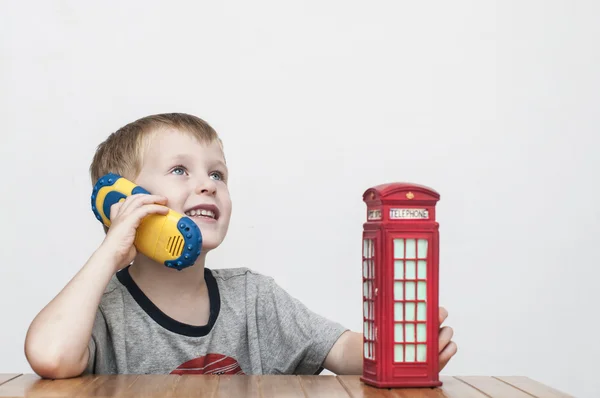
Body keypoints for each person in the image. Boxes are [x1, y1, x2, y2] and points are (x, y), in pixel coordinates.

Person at [24, 113, 457, 378]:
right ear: (121, 199)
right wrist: (110, 249)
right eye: (180, 170)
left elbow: (338, 349)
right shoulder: (100, 310)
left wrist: (399, 353)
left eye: (218, 175)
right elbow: (50, 356)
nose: (207, 186)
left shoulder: (253, 298)